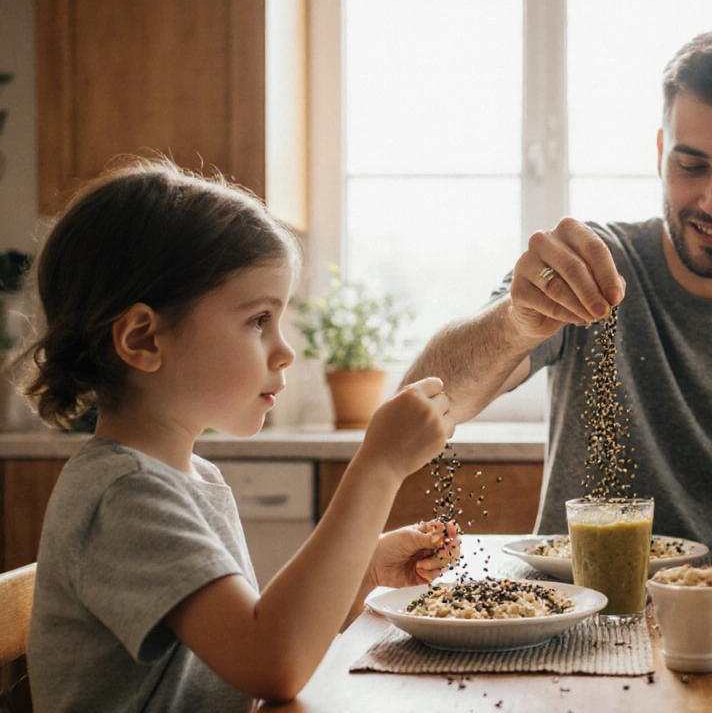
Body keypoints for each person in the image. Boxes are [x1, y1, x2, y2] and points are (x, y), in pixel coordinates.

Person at [402, 24, 712, 552]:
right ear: (660, 153)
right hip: (580, 598)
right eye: (691, 165)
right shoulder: (592, 268)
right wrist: (514, 323)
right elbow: (424, 400)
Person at [22, 158, 460, 712]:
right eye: (258, 321)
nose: (286, 351)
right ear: (143, 340)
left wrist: (364, 572)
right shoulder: (124, 498)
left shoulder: (188, 478)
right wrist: (379, 467)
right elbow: (270, 662)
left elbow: (255, 645)